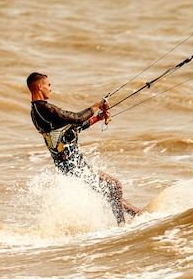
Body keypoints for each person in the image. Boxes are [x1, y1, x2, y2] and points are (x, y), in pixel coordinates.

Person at [26, 72, 139, 225]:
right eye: (48, 85)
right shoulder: (43, 109)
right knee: (114, 186)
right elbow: (77, 117)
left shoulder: (38, 111)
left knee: (111, 193)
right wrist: (96, 105)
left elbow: (73, 128)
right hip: (73, 165)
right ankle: (122, 226)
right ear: (40, 86)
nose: (50, 89)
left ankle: (139, 216)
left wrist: (97, 118)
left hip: (69, 166)